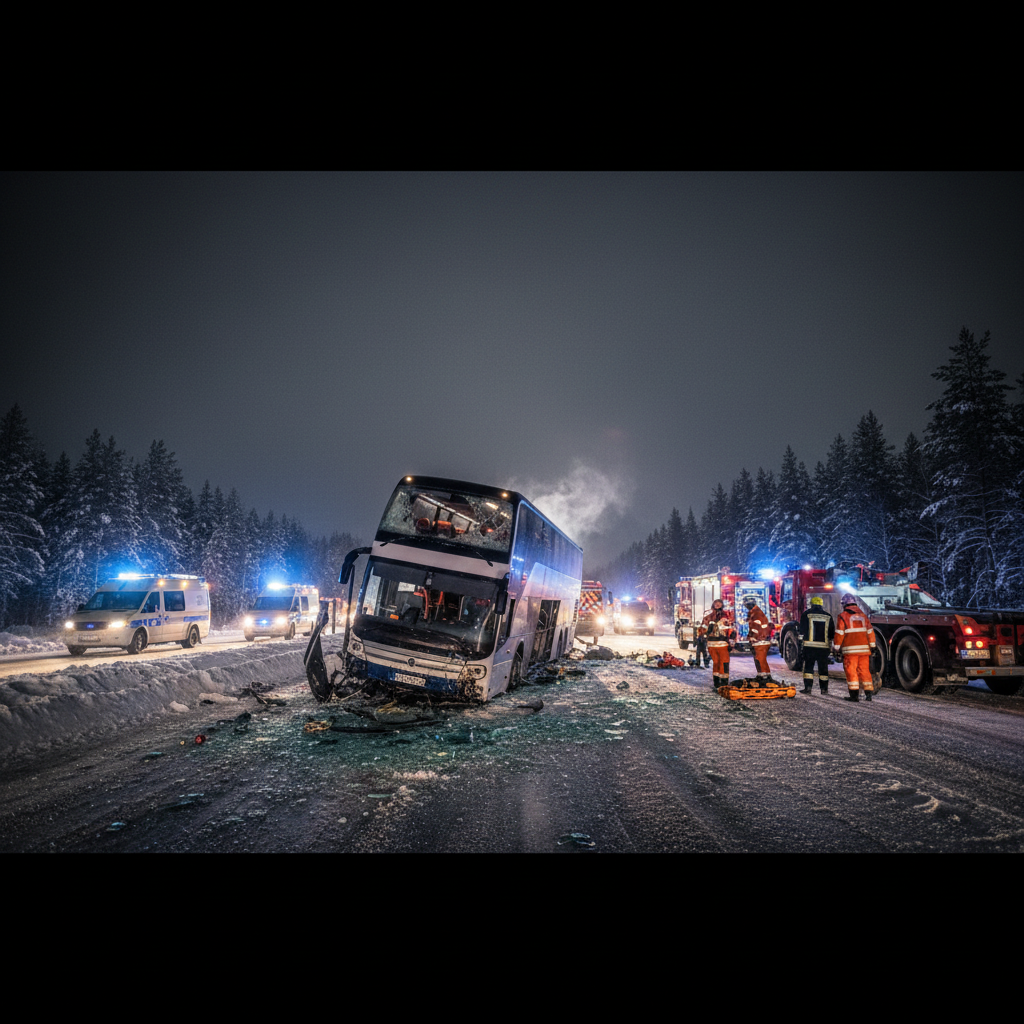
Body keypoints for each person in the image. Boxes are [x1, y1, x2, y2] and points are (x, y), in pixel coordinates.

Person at [834, 594, 877, 701]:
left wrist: (836, 648)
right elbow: (870, 632)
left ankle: (854, 696)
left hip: (850, 650)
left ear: (844, 604)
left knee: (851, 671)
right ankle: (868, 694)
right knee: (864, 671)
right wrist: (873, 646)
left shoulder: (843, 616)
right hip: (864, 650)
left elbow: (839, 633)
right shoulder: (863, 616)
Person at [799, 595, 835, 694]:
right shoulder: (828, 616)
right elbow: (832, 633)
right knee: (823, 669)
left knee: (808, 668)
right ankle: (824, 689)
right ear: (821, 605)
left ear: (812, 605)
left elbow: (801, 630)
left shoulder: (806, 614)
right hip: (823, 648)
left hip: (809, 647)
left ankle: (808, 688)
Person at [702, 598, 735, 690]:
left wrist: (704, 636)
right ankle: (723, 682)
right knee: (724, 662)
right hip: (721, 643)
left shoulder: (708, 616)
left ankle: (716, 682)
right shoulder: (725, 617)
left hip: (711, 643)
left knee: (716, 662)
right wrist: (731, 642)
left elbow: (702, 629)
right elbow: (730, 629)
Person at [744, 595, 774, 685]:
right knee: (758, 658)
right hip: (760, 640)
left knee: (760, 658)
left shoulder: (756, 614)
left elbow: (757, 627)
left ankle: (765, 677)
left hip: (760, 640)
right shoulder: (754, 613)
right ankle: (762, 674)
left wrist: (754, 637)